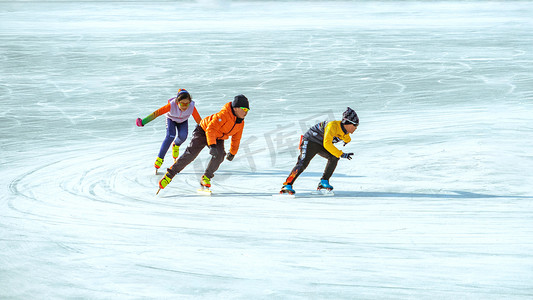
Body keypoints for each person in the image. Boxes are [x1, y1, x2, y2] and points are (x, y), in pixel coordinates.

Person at [158, 94, 250, 191]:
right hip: (203, 131)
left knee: (220, 155)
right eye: (244, 109)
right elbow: (211, 129)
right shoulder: (223, 115)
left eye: (247, 110)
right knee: (191, 154)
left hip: (218, 137)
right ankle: (169, 175)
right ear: (235, 108)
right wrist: (212, 145)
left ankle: (206, 177)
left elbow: (236, 138)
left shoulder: (240, 123)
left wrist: (232, 152)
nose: (246, 112)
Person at [280, 107, 359, 195]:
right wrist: (341, 154)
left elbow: (346, 138)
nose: (356, 128)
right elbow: (327, 144)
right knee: (303, 163)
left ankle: (324, 182)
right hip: (310, 141)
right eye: (355, 125)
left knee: (334, 157)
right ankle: (287, 184)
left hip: (320, 144)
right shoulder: (332, 126)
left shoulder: (346, 133)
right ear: (347, 123)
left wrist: (346, 142)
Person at [135, 89, 202, 173]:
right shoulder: (171, 105)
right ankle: (160, 158)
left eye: (187, 104)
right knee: (170, 136)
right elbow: (157, 113)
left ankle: (176, 145)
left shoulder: (192, 107)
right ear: (177, 102)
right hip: (171, 119)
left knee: (183, 136)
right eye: (182, 104)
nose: (185, 106)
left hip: (183, 121)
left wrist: (207, 129)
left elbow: (199, 120)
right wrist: (143, 122)